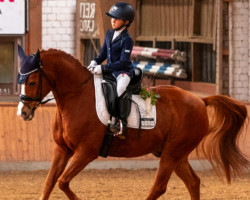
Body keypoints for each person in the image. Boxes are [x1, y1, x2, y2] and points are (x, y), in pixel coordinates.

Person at [87, 2, 134, 139]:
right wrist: (95, 61)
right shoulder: (108, 34)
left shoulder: (127, 39)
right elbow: (103, 55)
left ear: (126, 22)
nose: (113, 20)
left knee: (119, 89)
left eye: (117, 18)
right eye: (112, 17)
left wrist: (102, 68)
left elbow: (123, 62)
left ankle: (122, 123)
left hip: (123, 71)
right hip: (110, 70)